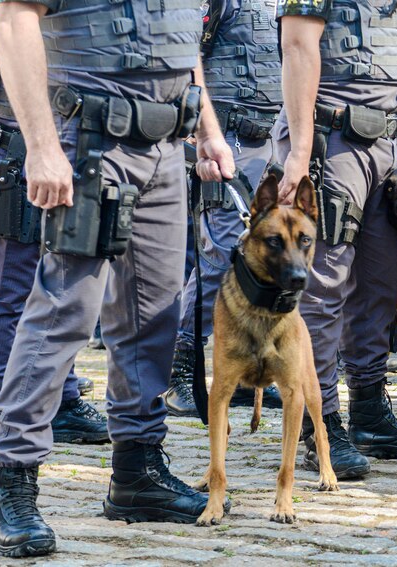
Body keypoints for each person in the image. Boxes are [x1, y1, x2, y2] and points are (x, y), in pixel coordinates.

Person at [0, 0, 235, 556]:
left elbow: (181, 43)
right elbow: (12, 20)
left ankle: (137, 472)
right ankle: (11, 481)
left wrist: (208, 131)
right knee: (65, 312)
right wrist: (42, 147)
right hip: (90, 138)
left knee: (155, 312)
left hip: (168, 140)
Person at [275, 0, 397, 481]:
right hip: (332, 139)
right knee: (322, 289)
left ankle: (369, 412)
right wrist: (300, 151)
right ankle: (317, 424)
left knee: (379, 285)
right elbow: (299, 45)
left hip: (386, 145)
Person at [0, 13, 107, 449]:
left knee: (58, 286)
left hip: (65, 154)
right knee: (11, 288)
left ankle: (63, 395)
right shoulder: (8, 13)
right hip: (17, 158)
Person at [165, 0, 284, 418]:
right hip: (225, 138)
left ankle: (242, 372)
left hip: (270, 138)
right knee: (220, 260)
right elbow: (185, 55)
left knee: (261, 262)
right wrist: (201, 135)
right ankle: (180, 369)